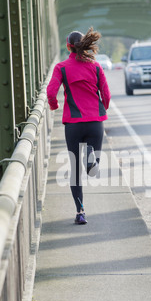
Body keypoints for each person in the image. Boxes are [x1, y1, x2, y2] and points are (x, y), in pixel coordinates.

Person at [47, 27, 111, 225]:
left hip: (73, 125)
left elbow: (51, 92)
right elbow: (106, 95)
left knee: (75, 170)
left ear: (68, 47)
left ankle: (80, 212)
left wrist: (54, 105)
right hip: (95, 123)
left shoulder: (62, 68)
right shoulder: (96, 67)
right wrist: (101, 109)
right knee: (92, 169)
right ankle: (90, 155)